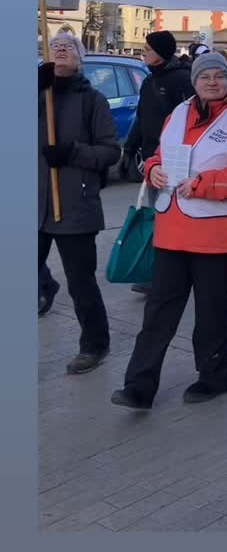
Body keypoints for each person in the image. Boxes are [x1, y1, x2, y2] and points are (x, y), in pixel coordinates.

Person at [111, 52, 227, 410]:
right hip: (172, 229)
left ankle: (213, 376)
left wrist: (204, 183)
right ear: (194, 81)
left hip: (218, 233)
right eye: (204, 76)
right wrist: (152, 170)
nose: (212, 82)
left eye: (218, 76)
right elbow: (156, 155)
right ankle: (138, 386)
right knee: (158, 312)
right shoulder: (177, 113)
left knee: (211, 312)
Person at [38, 32, 121, 373]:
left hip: (74, 204)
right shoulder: (35, 94)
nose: (60, 49)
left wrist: (72, 152)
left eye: (69, 46)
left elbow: (110, 152)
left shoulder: (92, 100)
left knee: (81, 282)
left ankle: (94, 344)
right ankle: (45, 286)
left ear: (79, 58)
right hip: (33, 204)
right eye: (55, 45)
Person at [122, 31, 194, 295]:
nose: (143, 52)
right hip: (153, 161)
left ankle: (175, 274)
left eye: (147, 49)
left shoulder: (183, 80)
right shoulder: (149, 81)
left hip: (177, 160)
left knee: (173, 217)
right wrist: (129, 149)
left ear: (162, 52)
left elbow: (192, 121)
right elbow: (141, 118)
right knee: (159, 217)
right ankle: (160, 274)